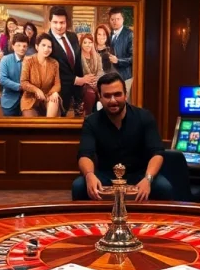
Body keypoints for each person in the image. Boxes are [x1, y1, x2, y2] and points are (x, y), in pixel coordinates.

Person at [73, 72, 173, 202]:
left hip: (140, 175)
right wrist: (89, 175)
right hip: (106, 177)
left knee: (163, 187)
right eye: (107, 96)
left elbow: (157, 153)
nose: (113, 100)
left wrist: (148, 178)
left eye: (117, 94)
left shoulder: (144, 117)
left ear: (125, 95)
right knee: (79, 186)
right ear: (100, 97)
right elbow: (85, 154)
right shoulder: (91, 122)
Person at [47, 6, 94, 115]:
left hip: (77, 91)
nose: (59, 26)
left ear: (66, 22)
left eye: (62, 22)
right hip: (59, 91)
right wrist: (77, 80)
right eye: (55, 22)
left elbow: (77, 63)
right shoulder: (47, 41)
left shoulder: (72, 36)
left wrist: (82, 81)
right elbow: (50, 71)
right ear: (50, 22)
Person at [20, 33, 63, 117]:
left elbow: (57, 84)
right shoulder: (28, 61)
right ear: (37, 46)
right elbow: (23, 82)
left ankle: (48, 128)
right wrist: (36, 90)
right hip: (30, 99)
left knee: (54, 99)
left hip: (48, 96)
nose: (46, 49)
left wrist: (53, 92)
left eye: (49, 47)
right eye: (43, 45)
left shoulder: (54, 63)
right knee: (33, 125)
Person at [0, 33, 28, 117]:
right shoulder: (5, 59)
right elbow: (2, 79)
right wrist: (20, 86)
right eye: (18, 45)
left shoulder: (30, 60)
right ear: (13, 46)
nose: (22, 48)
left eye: (24, 46)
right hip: (9, 100)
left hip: (27, 100)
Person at [77, 33, 105, 116]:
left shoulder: (97, 56)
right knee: (90, 92)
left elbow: (100, 71)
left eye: (90, 42)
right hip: (83, 84)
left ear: (93, 43)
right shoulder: (77, 57)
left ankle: (101, 116)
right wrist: (87, 81)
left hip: (96, 82)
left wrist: (96, 80)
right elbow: (77, 74)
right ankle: (88, 115)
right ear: (81, 44)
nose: (87, 45)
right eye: (85, 42)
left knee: (104, 90)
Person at [107, 7, 133, 82]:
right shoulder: (109, 34)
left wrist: (118, 61)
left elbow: (134, 58)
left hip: (125, 77)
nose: (115, 22)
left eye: (118, 19)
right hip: (111, 76)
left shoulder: (129, 34)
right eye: (112, 19)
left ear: (123, 19)